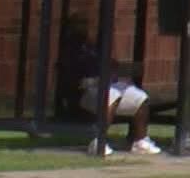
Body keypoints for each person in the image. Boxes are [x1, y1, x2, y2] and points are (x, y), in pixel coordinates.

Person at [58, 17, 162, 156]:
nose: (85, 30)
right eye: (80, 26)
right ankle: (99, 141)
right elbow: (73, 78)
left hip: (109, 84)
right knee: (111, 95)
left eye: (85, 26)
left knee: (140, 98)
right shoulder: (71, 52)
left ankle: (140, 141)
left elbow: (112, 66)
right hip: (86, 91)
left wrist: (122, 71)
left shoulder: (95, 49)